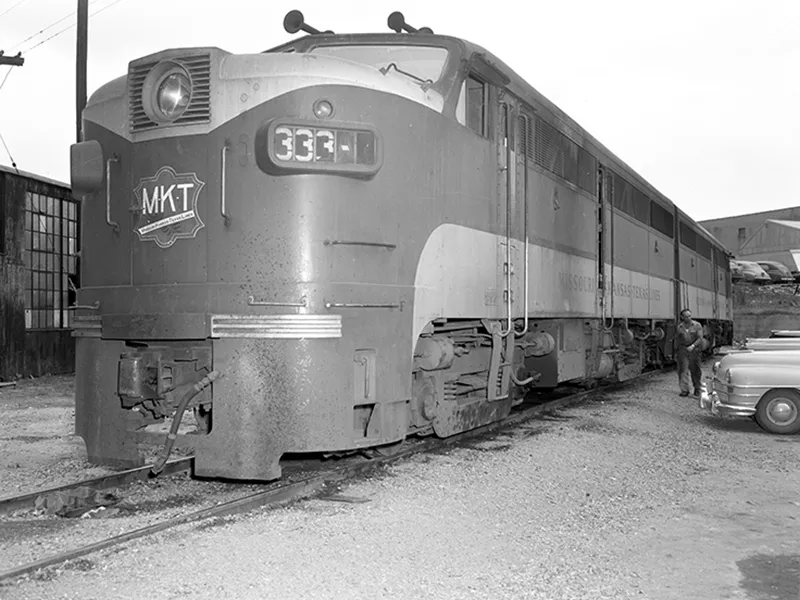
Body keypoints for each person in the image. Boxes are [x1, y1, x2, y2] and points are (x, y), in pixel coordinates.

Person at [676, 308, 704, 397]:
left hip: (694, 350)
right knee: (683, 370)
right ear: (682, 317)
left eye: (689, 316)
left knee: (695, 370)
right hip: (683, 350)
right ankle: (684, 390)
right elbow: (678, 340)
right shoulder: (679, 327)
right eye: (686, 316)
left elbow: (700, 338)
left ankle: (697, 389)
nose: (688, 318)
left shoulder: (697, 325)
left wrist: (693, 346)